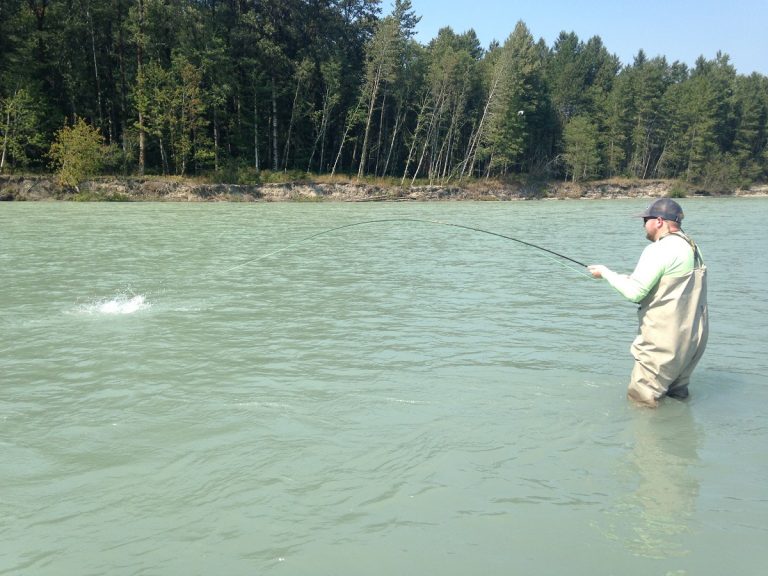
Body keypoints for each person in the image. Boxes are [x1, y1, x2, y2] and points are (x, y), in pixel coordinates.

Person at [588, 198, 708, 407]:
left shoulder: (659, 249)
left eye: (645, 219)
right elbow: (667, 285)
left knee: (642, 403)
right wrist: (623, 277)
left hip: (664, 342)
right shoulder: (691, 247)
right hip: (692, 342)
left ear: (659, 221)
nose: (643, 224)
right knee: (676, 398)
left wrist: (606, 273)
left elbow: (635, 293)